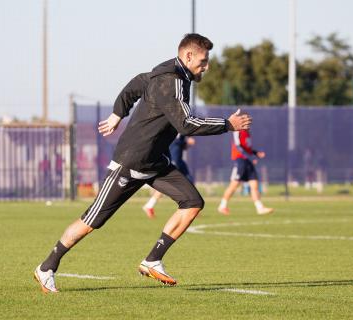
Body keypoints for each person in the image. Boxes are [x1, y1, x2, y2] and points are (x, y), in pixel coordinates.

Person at [33, 33, 252, 293]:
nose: (207, 66)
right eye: (203, 61)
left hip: (154, 162)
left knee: (193, 202)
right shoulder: (172, 81)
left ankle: (153, 260)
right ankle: (46, 267)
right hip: (131, 160)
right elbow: (185, 124)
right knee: (92, 220)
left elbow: (136, 84)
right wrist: (227, 125)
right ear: (188, 56)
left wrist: (117, 114)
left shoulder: (170, 74)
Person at [218, 129, 273, 216]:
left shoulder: (247, 133)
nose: (248, 123)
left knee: (254, 185)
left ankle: (260, 208)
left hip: (248, 161)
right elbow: (238, 146)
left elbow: (248, 149)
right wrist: (251, 157)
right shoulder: (237, 131)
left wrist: (256, 153)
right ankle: (222, 206)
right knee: (234, 185)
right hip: (240, 161)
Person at [142, 134, 195, 218]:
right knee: (167, 185)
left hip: (180, 161)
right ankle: (149, 205)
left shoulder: (183, 132)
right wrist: (186, 141)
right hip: (174, 159)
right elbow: (173, 141)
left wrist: (186, 144)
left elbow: (183, 146)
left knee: (190, 181)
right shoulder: (175, 127)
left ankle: (193, 205)